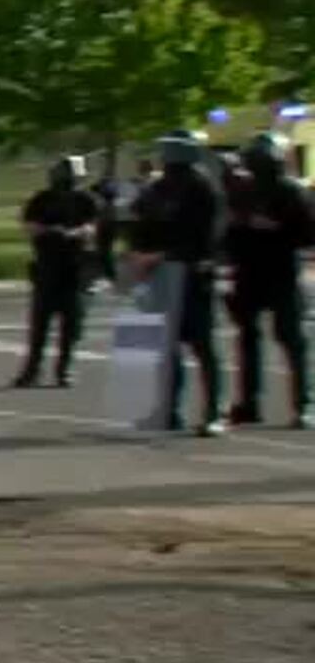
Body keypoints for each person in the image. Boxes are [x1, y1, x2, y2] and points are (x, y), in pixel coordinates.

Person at [126, 129, 227, 437]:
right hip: (160, 277)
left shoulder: (203, 188)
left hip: (192, 275)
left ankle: (213, 412)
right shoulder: (157, 188)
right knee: (165, 348)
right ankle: (168, 410)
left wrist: (159, 255)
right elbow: (141, 224)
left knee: (202, 345)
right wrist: (137, 254)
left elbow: (205, 239)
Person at [225, 132, 311, 429]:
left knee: (289, 341)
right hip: (252, 272)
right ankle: (251, 403)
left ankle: (302, 404)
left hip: (279, 271)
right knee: (253, 339)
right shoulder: (244, 191)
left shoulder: (290, 191)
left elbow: (307, 233)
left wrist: (276, 228)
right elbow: (230, 232)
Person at [13, 156, 100, 388]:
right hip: (46, 265)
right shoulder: (42, 199)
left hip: (75, 267)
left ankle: (65, 368)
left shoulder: (86, 199)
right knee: (40, 322)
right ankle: (32, 369)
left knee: (71, 322)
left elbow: (92, 227)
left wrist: (74, 233)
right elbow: (28, 224)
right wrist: (48, 230)